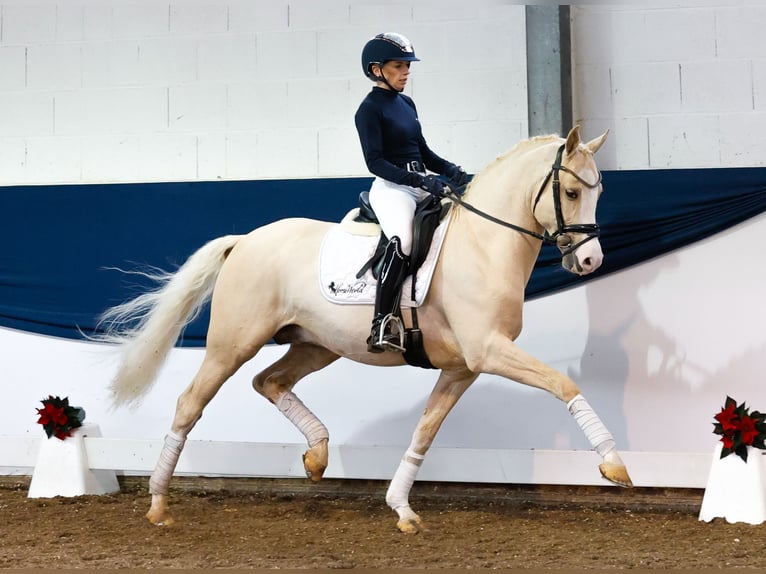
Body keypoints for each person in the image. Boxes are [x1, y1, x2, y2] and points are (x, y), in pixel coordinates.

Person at [355, 32, 468, 353]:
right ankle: (381, 323)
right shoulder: (368, 110)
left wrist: (451, 170)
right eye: (399, 66)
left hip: (420, 184)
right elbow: (375, 162)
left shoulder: (406, 103)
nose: (406, 72)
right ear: (377, 70)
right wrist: (420, 182)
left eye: (407, 66)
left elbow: (423, 151)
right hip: (393, 189)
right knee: (402, 241)